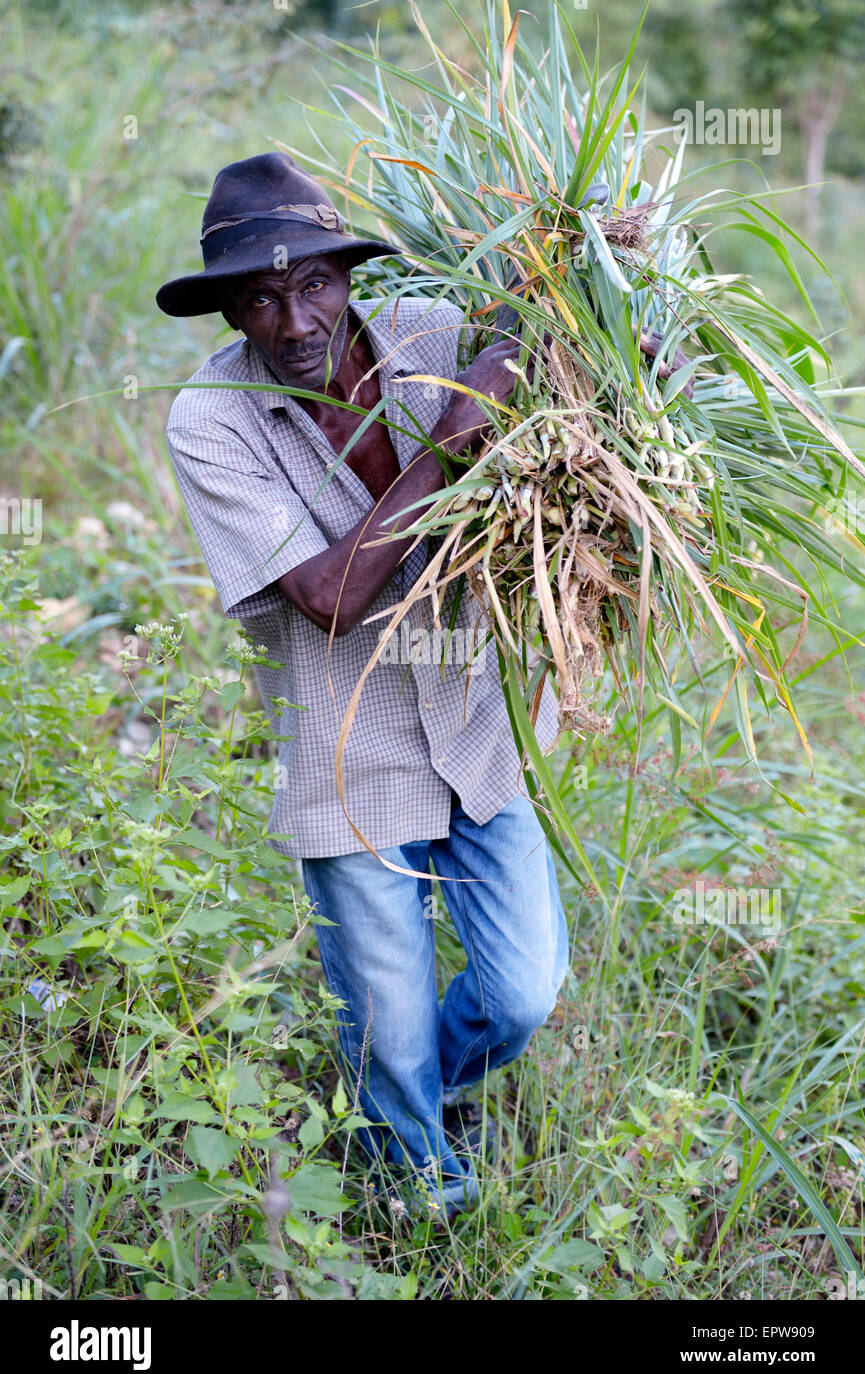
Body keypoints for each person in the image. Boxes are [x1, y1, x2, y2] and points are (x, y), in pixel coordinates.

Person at [156, 151, 570, 1216]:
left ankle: (421, 1096)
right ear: (229, 312)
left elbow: (559, 377)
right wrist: (447, 439)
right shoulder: (213, 420)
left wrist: (597, 315)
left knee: (524, 991)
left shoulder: (432, 333)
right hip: (351, 747)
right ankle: (418, 1206)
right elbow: (331, 595)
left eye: (314, 284)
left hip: (472, 720)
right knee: (385, 1017)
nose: (294, 320)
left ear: (349, 276)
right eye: (258, 296)